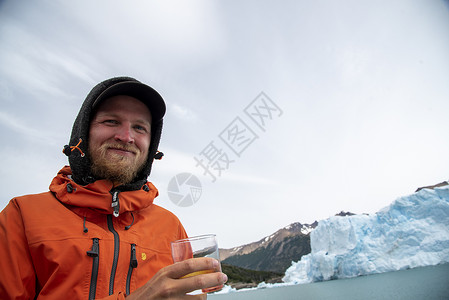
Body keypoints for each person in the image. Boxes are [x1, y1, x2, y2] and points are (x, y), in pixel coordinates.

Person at [0, 77, 227, 299]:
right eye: (111, 121)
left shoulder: (171, 227)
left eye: (139, 127)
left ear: (151, 147)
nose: (126, 137)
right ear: (82, 133)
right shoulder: (22, 216)